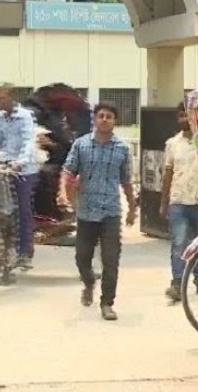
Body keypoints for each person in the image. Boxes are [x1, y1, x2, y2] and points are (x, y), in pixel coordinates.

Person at [60, 102, 137, 322]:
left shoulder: (122, 149)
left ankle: (107, 303)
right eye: (101, 116)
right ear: (94, 119)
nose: (104, 119)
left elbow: (126, 181)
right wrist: (64, 193)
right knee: (82, 258)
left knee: (111, 261)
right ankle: (88, 282)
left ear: (115, 122)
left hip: (111, 212)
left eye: (109, 116)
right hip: (86, 212)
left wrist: (132, 208)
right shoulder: (81, 145)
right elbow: (68, 171)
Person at [160, 101, 198, 302]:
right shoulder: (172, 144)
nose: (184, 119)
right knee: (179, 243)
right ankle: (177, 283)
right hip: (179, 201)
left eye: (187, 115)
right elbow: (167, 173)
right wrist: (164, 203)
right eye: (180, 115)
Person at [0, 87, 39, 269]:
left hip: (23, 170)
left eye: (2, 98)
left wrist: (21, 161)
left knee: (22, 210)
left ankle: (25, 252)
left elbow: (28, 142)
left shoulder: (25, 116)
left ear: (12, 98)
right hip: (3, 167)